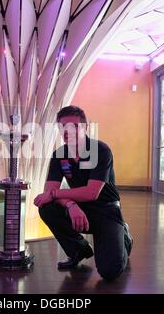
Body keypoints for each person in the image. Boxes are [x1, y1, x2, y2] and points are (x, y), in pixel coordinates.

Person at [34, 106, 133, 281]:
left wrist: (55, 194)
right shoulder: (59, 155)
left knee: (110, 271)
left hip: (107, 211)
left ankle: (124, 237)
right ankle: (78, 250)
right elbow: (50, 191)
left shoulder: (100, 150)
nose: (67, 131)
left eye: (73, 126)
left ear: (85, 128)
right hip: (80, 210)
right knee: (47, 208)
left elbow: (91, 193)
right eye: (63, 127)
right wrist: (70, 205)